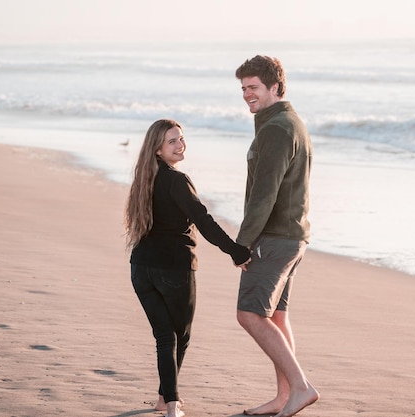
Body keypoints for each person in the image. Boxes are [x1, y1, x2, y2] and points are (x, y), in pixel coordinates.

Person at [125, 119, 251, 417]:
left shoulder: (144, 178)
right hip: (173, 270)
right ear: (157, 148)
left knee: (164, 335)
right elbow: (203, 220)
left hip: (141, 268)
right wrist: (235, 252)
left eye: (182, 139)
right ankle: (172, 405)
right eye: (173, 141)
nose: (181, 144)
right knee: (178, 336)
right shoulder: (177, 181)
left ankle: (163, 399)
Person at [234, 55, 319, 417]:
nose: (246, 95)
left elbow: (263, 195)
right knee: (278, 317)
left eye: (253, 87)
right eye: (243, 88)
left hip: (275, 237)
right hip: (292, 236)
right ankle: (284, 397)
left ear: (274, 87)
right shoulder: (286, 122)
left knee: (250, 314)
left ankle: (301, 388)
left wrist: (241, 244)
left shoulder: (277, 129)